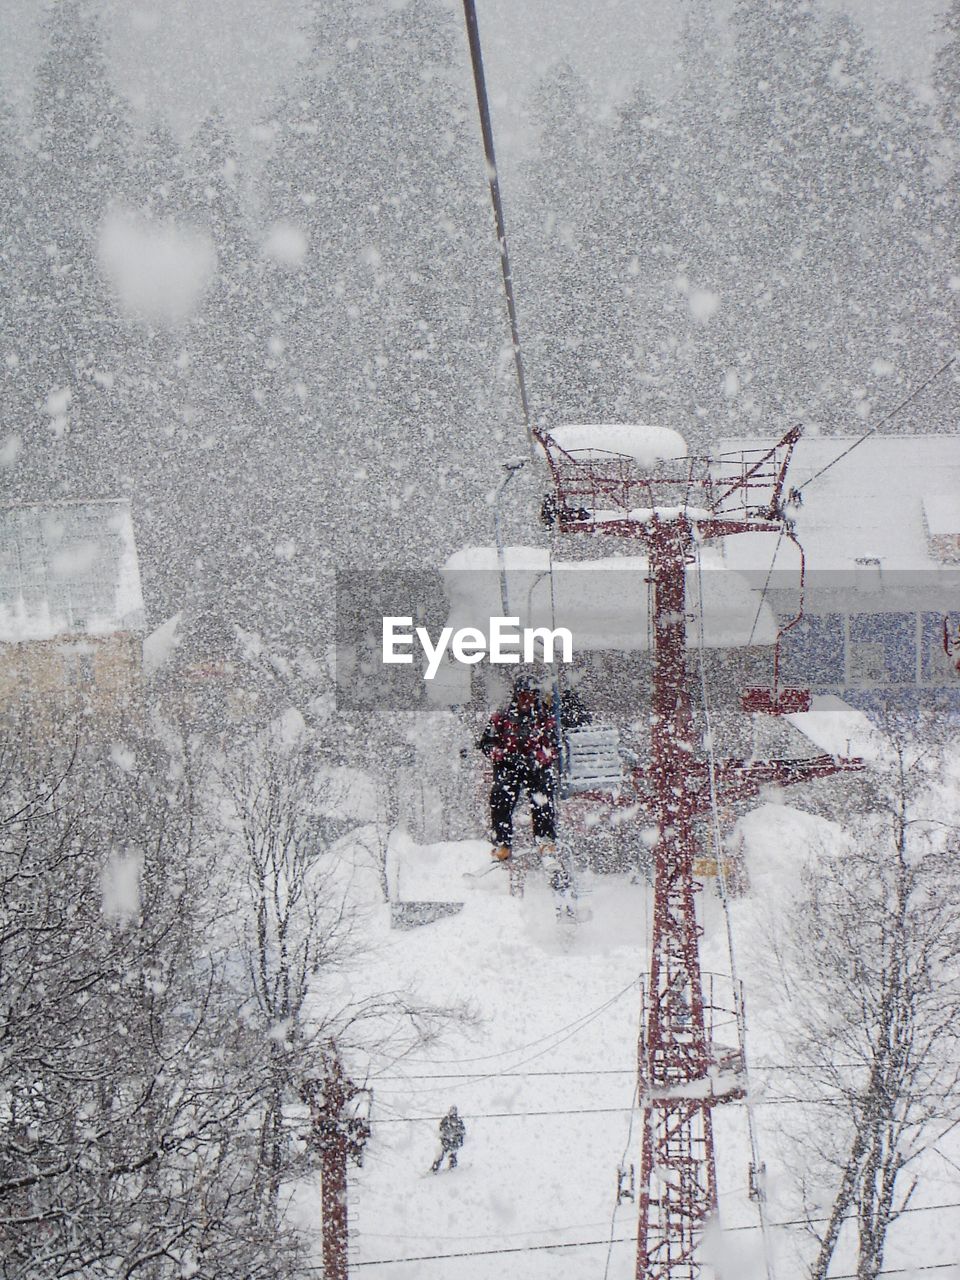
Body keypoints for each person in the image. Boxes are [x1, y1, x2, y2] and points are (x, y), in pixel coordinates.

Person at [478, 676, 558, 862]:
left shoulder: (543, 717)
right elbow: (487, 744)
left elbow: (553, 746)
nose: (526, 700)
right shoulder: (502, 717)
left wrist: (537, 758)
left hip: (535, 768)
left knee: (543, 796)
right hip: (509, 766)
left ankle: (545, 840)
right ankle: (503, 843)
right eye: (523, 695)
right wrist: (504, 755)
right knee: (500, 798)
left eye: (530, 696)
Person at [430, 1105, 465, 1172]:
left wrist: (457, 1140)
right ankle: (434, 1169)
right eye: (451, 1110)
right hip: (446, 1142)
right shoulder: (446, 1119)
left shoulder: (458, 1121)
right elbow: (441, 1128)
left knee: (451, 1155)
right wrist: (443, 1136)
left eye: (453, 1110)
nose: (452, 1112)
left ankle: (452, 1168)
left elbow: (461, 1132)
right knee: (440, 1155)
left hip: (453, 1143)